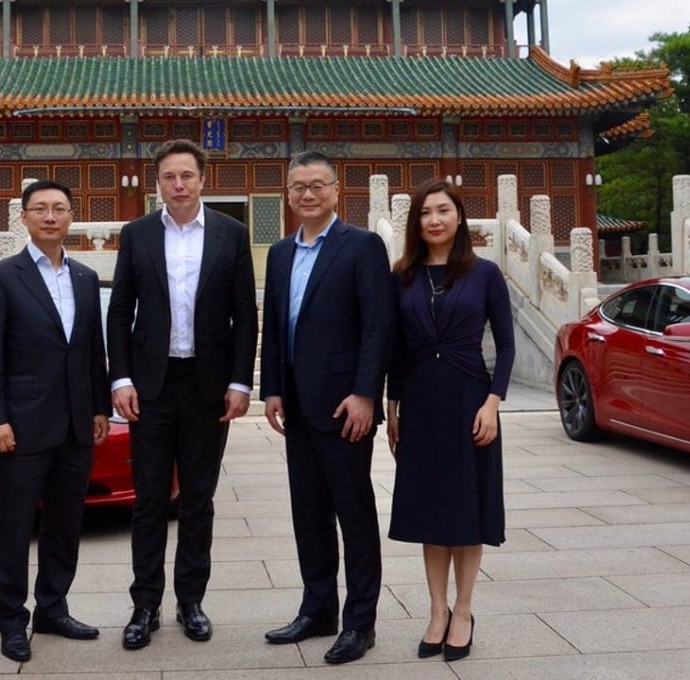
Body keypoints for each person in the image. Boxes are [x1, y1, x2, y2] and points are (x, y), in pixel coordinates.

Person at [107, 138, 258, 649]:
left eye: (187, 176)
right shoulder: (137, 234)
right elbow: (119, 312)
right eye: (169, 177)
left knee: (198, 499)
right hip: (150, 387)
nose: (178, 185)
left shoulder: (231, 234)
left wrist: (241, 382)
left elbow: (245, 316)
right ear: (158, 182)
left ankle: (190, 600)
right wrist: (121, 379)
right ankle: (144, 604)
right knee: (149, 500)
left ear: (202, 179)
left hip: (208, 387)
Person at [259, 151, 392, 665]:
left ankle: (360, 622)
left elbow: (378, 326)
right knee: (308, 513)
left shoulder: (361, 247)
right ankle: (318, 608)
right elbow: (276, 326)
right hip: (296, 403)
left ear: (337, 191)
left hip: (344, 406)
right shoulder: (279, 253)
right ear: (288, 194)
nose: (307, 195)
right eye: (298, 187)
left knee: (353, 514)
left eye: (317, 185)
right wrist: (271, 388)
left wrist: (365, 394)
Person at [0, 179, 112, 663]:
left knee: (65, 524)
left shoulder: (86, 279)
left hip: (75, 425)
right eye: (41, 209)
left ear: (71, 217)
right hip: (21, 428)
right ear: (25, 218)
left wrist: (99, 408)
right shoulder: (1, 278)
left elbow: (93, 350)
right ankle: (11, 620)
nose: (51, 217)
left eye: (60, 209)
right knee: (13, 527)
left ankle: (53, 606)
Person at [386, 178, 515, 662]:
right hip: (420, 403)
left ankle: (463, 610)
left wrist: (493, 403)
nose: (434, 219)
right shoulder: (402, 276)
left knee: (467, 512)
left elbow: (505, 345)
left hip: (469, 402)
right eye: (425, 213)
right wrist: (392, 404)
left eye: (443, 210)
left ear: (459, 217)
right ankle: (436, 611)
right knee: (430, 514)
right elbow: (396, 348)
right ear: (416, 223)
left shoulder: (484, 274)